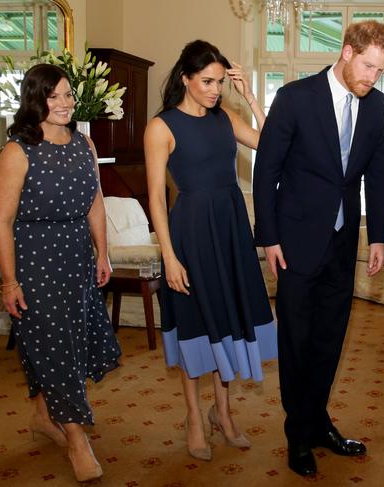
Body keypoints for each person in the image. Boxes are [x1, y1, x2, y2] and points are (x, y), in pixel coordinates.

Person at [253, 21, 384, 476]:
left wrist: (376, 237)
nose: (373, 77)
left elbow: (377, 174)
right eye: (369, 65)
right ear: (348, 52)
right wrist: (269, 237)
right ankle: (297, 433)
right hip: (294, 242)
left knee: (330, 339)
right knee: (296, 340)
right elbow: (266, 171)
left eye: (381, 70)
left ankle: (317, 422)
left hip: (340, 241)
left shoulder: (377, 107)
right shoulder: (295, 97)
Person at [144, 40, 277, 462]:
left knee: (229, 321)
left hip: (231, 229)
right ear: (185, 77)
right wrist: (168, 255)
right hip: (191, 235)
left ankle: (222, 412)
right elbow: (155, 198)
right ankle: (194, 419)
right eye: (207, 81)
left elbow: (272, 146)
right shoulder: (161, 127)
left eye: (220, 82)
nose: (215, 89)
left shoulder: (226, 117)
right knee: (195, 324)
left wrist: (251, 94)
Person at [0, 63, 121, 482]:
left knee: (72, 341)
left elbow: (96, 201)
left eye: (68, 95)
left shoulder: (84, 143)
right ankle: (77, 440)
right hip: (36, 260)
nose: (64, 104)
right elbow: (1, 222)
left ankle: (44, 416)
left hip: (78, 258)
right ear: (35, 100)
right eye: (53, 96)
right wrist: (9, 280)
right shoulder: (17, 151)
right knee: (55, 343)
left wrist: (103, 252)